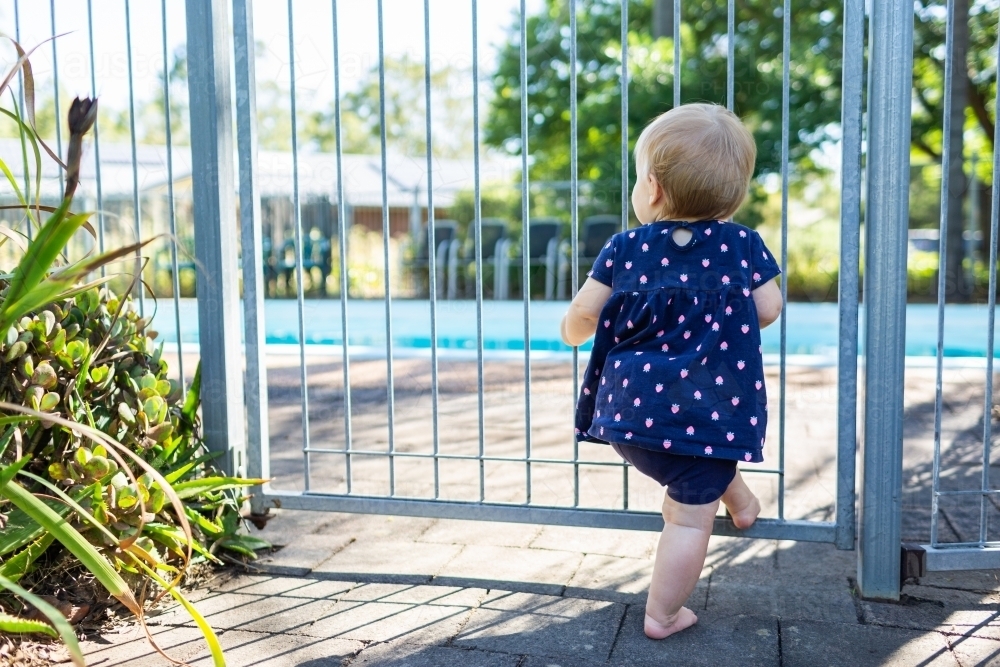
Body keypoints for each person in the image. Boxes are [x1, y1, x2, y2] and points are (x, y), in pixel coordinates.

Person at [560, 103, 783, 640]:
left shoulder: (625, 247)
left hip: (631, 417)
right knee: (687, 510)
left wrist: (572, 331)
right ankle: (663, 615)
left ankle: (744, 503)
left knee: (694, 469)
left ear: (653, 188)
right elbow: (770, 309)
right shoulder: (743, 245)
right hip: (712, 411)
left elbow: (584, 314)